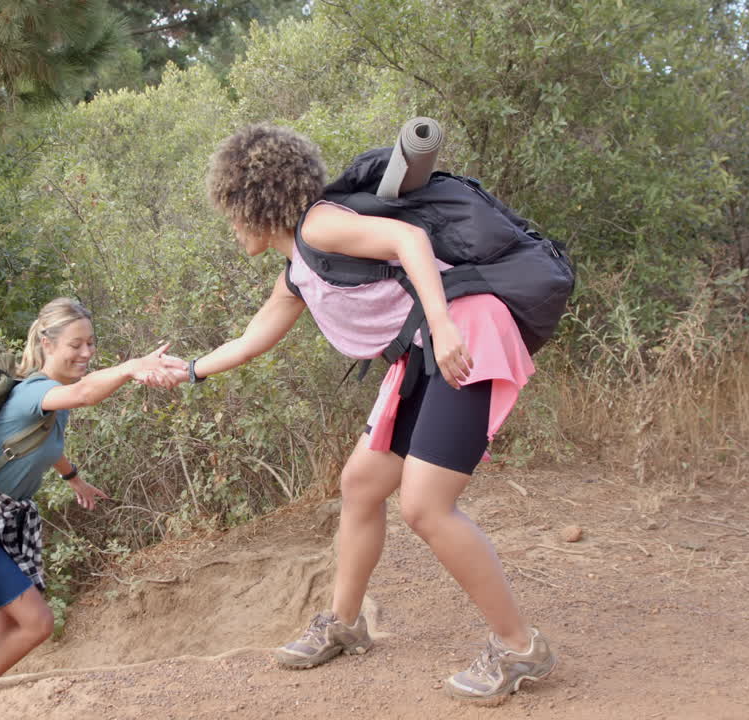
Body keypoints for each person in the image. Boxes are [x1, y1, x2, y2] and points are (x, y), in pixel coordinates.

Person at [187, 124, 556, 703]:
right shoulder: (300, 271)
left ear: (253, 203)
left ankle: (518, 647)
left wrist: (441, 324)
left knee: (425, 506)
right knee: (361, 483)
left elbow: (408, 240)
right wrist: (187, 371)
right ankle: (345, 622)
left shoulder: (320, 225)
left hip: (465, 332)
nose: (230, 225)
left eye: (232, 210)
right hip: (424, 354)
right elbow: (251, 339)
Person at [0, 297, 186, 683]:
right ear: (47, 344)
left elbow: (44, 444)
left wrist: (73, 478)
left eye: (90, 343)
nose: (86, 352)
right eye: (76, 345)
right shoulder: (34, 394)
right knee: (38, 624)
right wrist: (133, 367)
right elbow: (87, 393)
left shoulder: (54, 394)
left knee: (0, 634)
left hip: (3, 524)